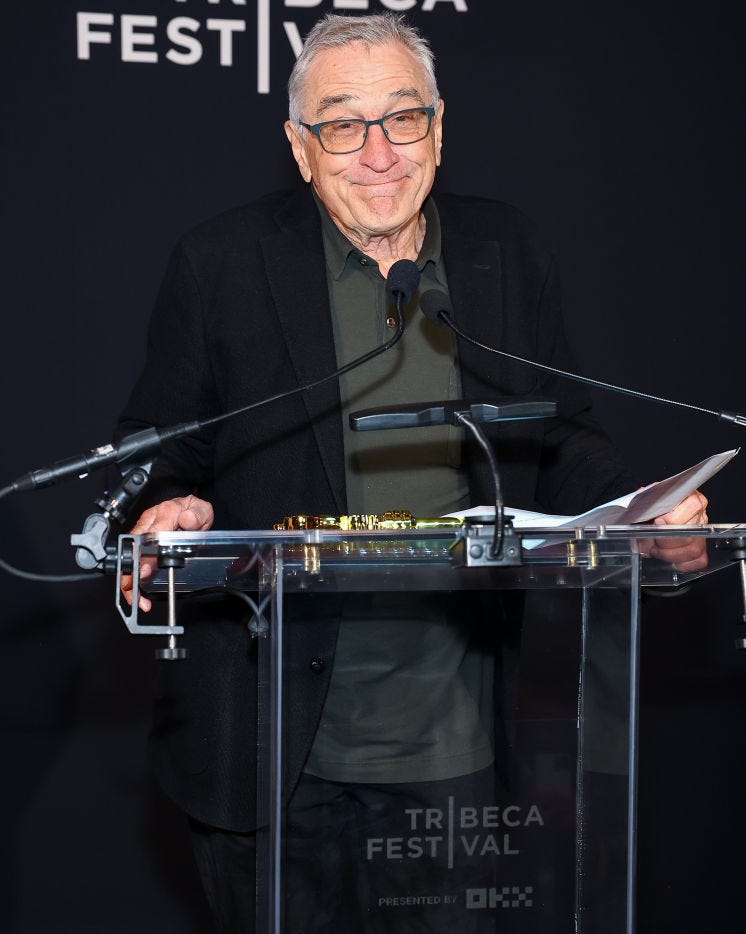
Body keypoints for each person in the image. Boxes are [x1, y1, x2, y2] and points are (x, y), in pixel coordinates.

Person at [118, 12, 708, 932]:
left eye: (404, 118)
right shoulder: (222, 263)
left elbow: (561, 440)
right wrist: (167, 504)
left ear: (440, 126)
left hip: (457, 745)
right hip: (271, 745)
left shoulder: (504, 253)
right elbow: (163, 449)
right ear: (299, 146)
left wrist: (641, 515)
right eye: (343, 124)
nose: (379, 152)